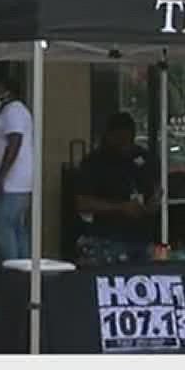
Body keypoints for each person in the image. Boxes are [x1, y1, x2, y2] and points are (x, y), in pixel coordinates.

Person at [74, 112, 157, 266]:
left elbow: (153, 188)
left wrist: (152, 203)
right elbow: (83, 203)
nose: (125, 143)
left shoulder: (143, 157)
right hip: (108, 239)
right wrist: (120, 207)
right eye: (121, 138)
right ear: (110, 135)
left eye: (129, 138)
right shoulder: (94, 162)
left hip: (142, 238)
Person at [0, 74, 35, 261]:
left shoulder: (14, 111)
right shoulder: (13, 111)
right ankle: (23, 272)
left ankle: (12, 270)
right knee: (16, 228)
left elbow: (15, 142)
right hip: (16, 184)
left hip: (12, 184)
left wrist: (1, 176)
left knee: (3, 226)